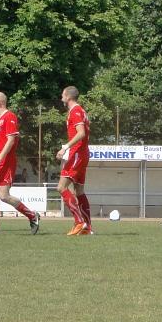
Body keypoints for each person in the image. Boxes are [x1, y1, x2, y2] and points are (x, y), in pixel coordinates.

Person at [0, 92, 40, 235]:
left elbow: (11, 141)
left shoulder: (10, 116)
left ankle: (32, 215)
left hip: (5, 161)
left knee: (4, 196)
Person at [56, 86, 92, 235]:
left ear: (68, 97)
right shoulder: (81, 110)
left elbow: (81, 133)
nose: (61, 98)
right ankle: (87, 227)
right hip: (82, 153)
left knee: (61, 187)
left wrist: (65, 147)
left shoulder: (75, 111)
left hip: (77, 153)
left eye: (62, 95)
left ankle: (79, 222)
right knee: (79, 190)